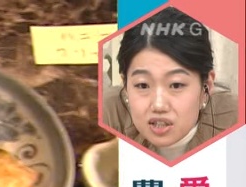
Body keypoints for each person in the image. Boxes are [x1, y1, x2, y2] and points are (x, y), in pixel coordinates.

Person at [101, 7, 238, 161]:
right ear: (125, 86)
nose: (159, 106)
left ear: (206, 86)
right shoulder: (106, 114)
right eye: (143, 85)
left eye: (176, 85)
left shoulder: (235, 122)